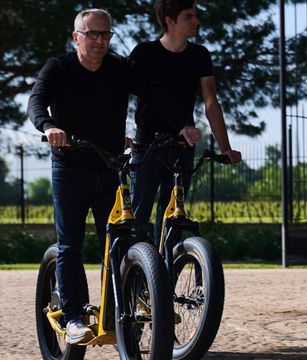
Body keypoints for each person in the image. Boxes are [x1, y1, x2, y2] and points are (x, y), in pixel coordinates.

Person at [28, 8, 196, 344]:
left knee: (123, 240)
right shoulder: (58, 68)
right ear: (76, 36)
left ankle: (128, 304)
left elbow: (155, 94)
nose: (99, 40)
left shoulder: (120, 69)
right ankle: (74, 316)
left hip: (110, 167)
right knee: (70, 245)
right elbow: (36, 101)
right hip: (70, 166)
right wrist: (49, 127)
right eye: (91, 34)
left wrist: (183, 124)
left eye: (105, 34)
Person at [129, 0, 242, 244]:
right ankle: (134, 274)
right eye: (189, 17)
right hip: (147, 146)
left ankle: (165, 279)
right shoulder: (144, 53)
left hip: (182, 147)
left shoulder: (199, 55)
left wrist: (225, 148)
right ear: (170, 21)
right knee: (137, 217)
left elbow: (211, 102)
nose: (196, 21)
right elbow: (120, 96)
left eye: (196, 16)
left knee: (173, 220)